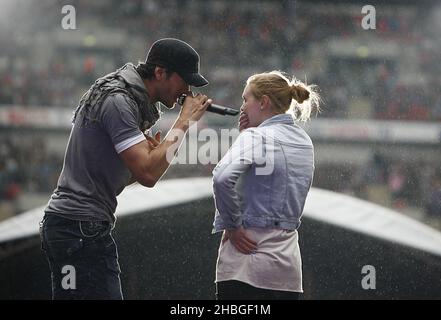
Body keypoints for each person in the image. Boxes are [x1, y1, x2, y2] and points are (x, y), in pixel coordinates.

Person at [39, 38, 211, 299]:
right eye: (184, 80)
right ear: (160, 72)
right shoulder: (119, 102)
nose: (187, 90)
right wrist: (184, 121)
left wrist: (153, 156)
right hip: (81, 228)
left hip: (73, 226)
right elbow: (149, 175)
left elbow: (126, 175)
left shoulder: (123, 94)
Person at [212, 71, 320, 300]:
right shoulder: (304, 141)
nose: (242, 107)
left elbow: (222, 178)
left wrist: (232, 226)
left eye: (246, 99)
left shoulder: (255, 138)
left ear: (263, 102)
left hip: (245, 263)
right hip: (287, 268)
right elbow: (272, 182)